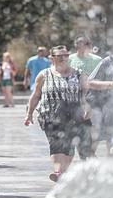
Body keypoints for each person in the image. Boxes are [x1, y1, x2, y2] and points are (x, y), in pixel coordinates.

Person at [24, 45, 92, 181]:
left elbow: (85, 95)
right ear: (52, 58)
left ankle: (63, 172)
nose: (63, 58)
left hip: (74, 116)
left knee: (68, 146)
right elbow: (36, 95)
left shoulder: (79, 74)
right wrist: (29, 113)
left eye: (66, 55)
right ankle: (58, 171)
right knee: (56, 144)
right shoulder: (44, 75)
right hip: (50, 116)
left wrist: (86, 107)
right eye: (59, 56)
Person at [87, 53, 113, 156]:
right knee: (95, 140)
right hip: (105, 109)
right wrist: (110, 84)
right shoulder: (107, 61)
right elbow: (90, 82)